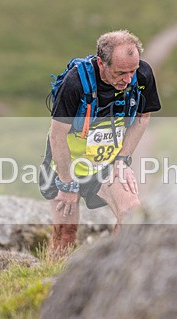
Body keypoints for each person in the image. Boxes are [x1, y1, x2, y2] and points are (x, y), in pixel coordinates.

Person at [40, 30, 161, 254]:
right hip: (67, 165)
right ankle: (53, 283)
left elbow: (143, 117)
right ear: (101, 63)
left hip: (108, 163)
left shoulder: (142, 74)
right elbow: (57, 135)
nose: (128, 80)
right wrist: (66, 184)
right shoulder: (75, 83)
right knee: (65, 234)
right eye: (120, 73)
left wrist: (122, 159)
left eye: (132, 71)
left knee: (132, 215)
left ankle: (111, 276)